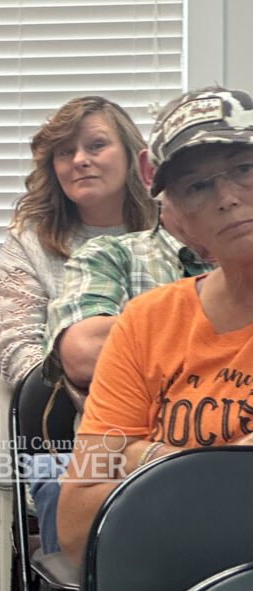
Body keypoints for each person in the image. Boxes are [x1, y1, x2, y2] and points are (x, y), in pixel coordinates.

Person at [58, 85, 253, 562]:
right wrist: (217, 465)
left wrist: (142, 458)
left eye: (246, 170)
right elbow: (79, 526)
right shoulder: (148, 321)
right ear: (175, 214)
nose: (227, 197)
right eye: (197, 185)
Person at [0, 95, 156, 387]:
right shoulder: (30, 240)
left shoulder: (177, 226)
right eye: (65, 152)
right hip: (71, 405)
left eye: (96, 146)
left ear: (132, 155)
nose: (80, 160)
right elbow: (17, 349)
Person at [43, 220, 214, 393]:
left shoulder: (240, 261)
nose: (226, 198)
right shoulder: (110, 254)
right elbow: (84, 352)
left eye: (242, 190)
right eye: (198, 190)